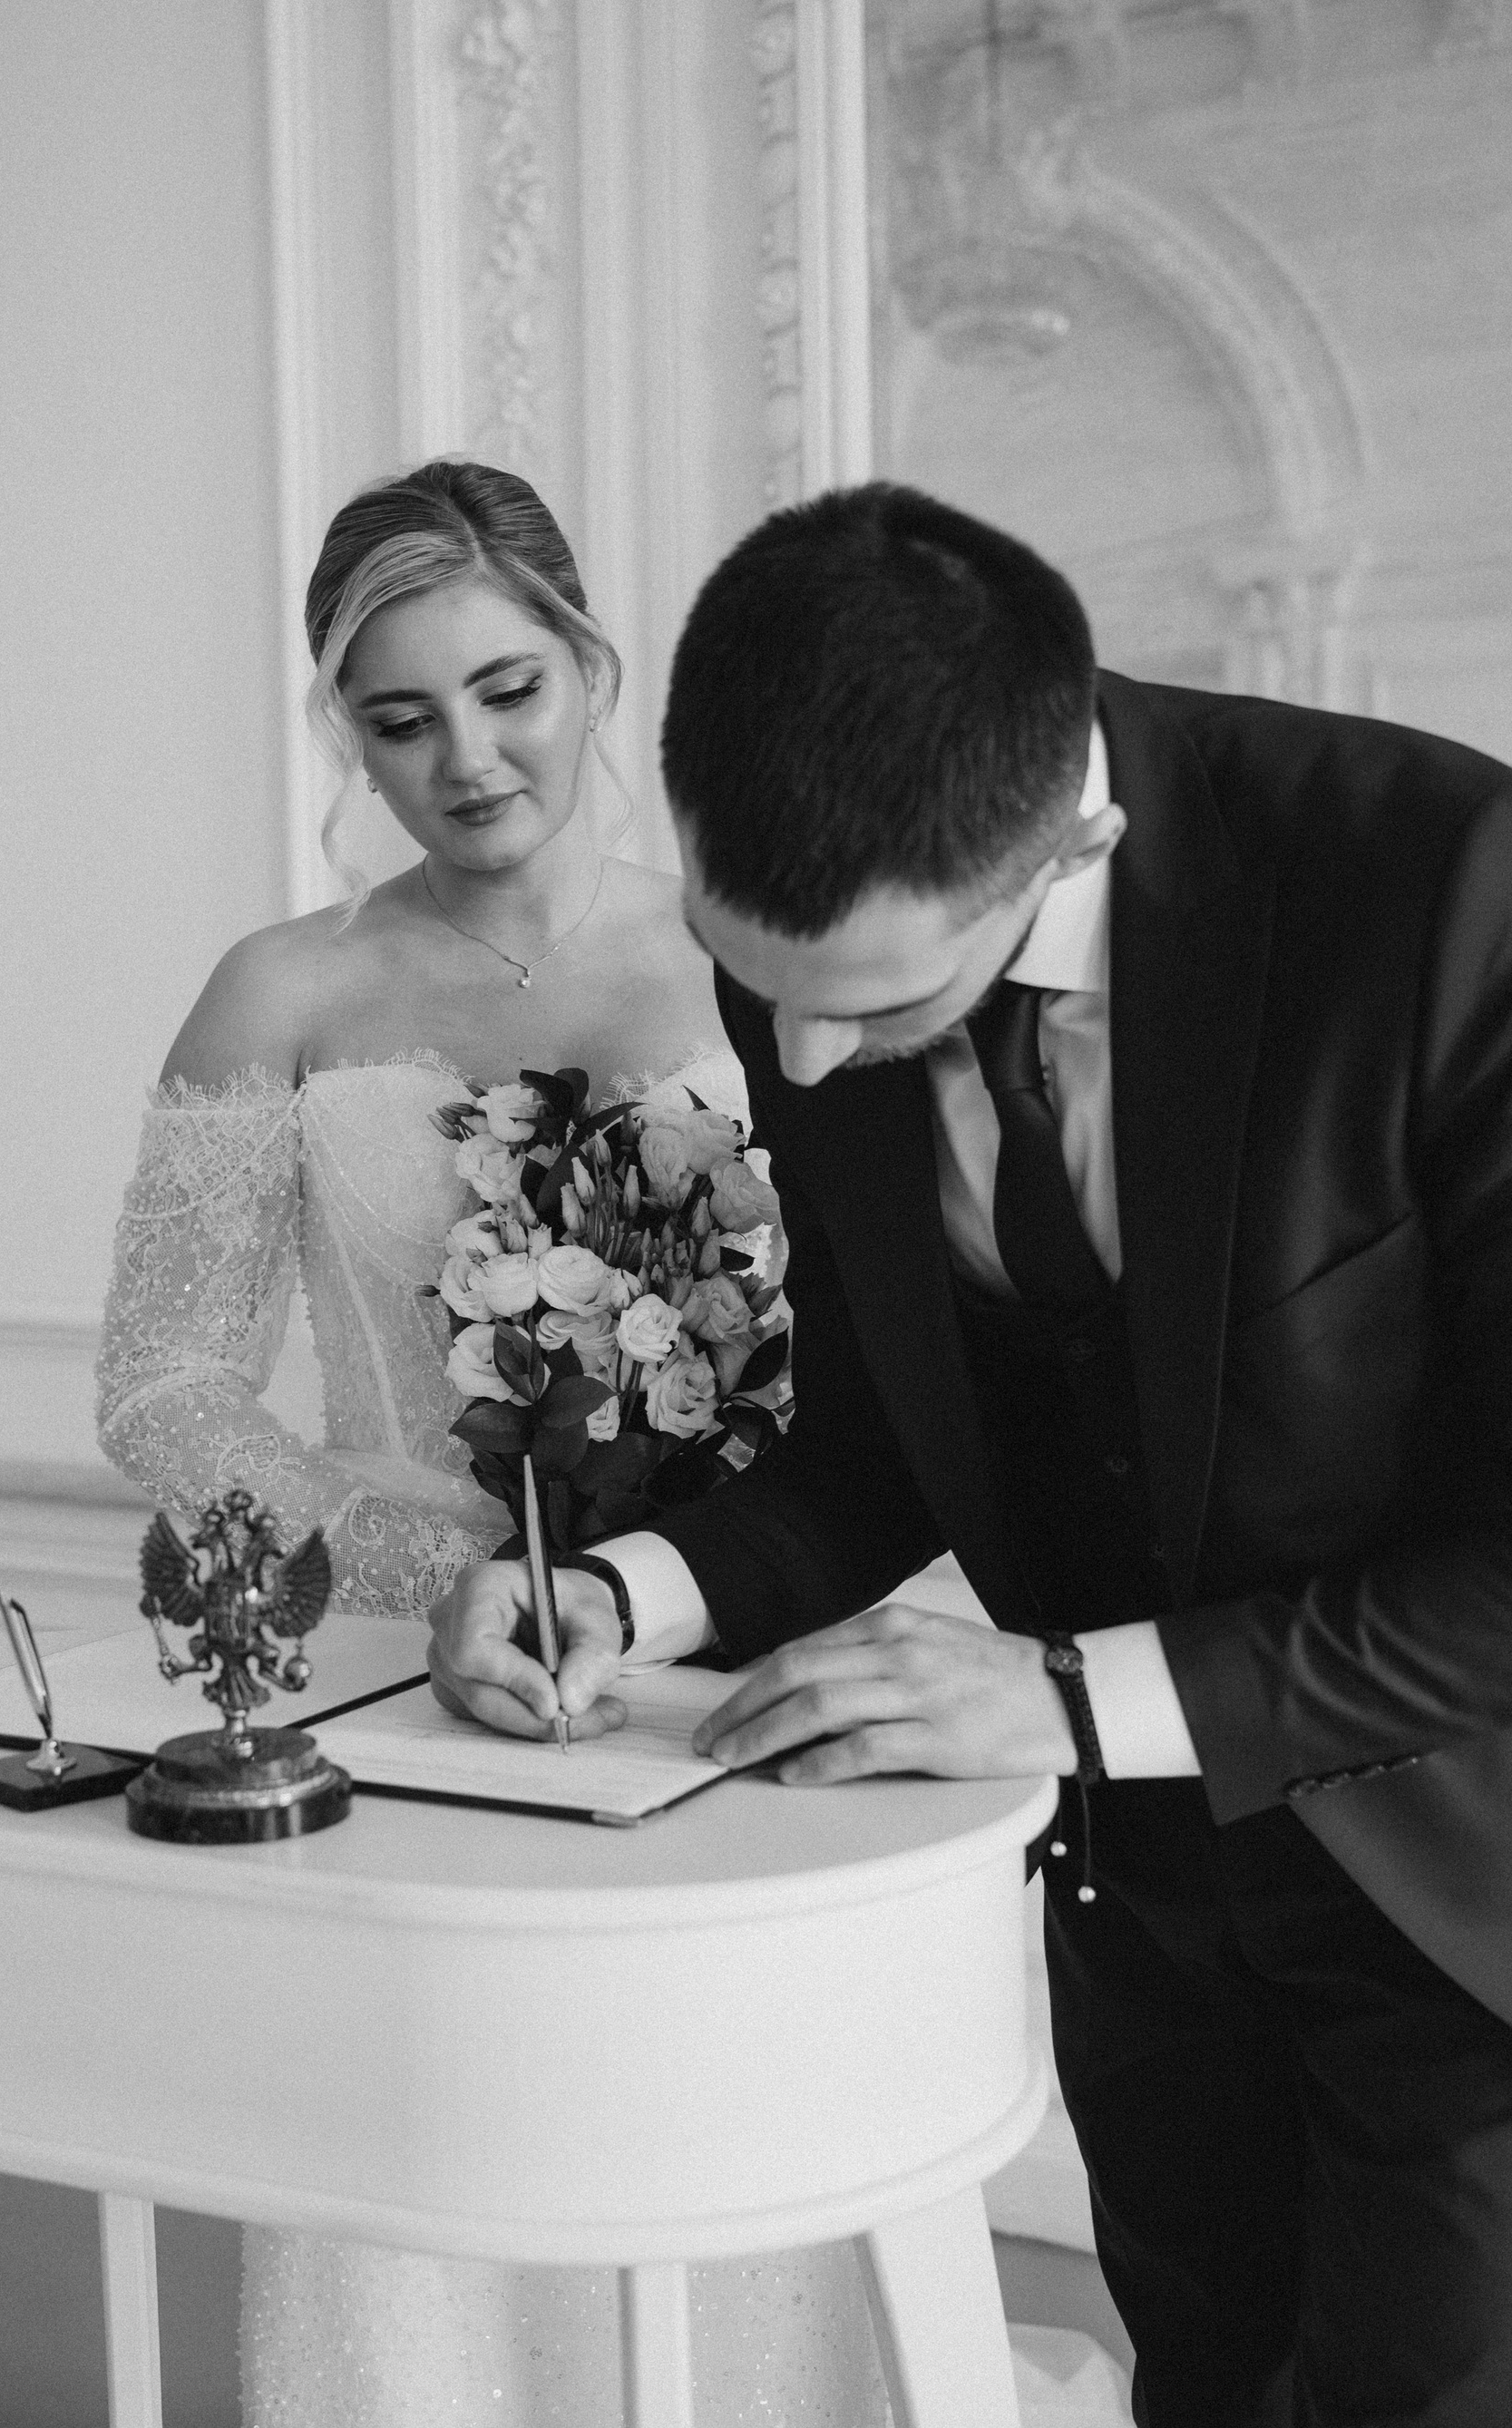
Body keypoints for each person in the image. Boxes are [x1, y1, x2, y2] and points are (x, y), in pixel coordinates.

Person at [429, 481, 1512, 2425]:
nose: (802, 1062)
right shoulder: (811, 955)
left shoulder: (1450, 891)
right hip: (1141, 1917)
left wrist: (1070, 1695)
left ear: (1069, 840)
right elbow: (890, 1441)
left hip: (1462, 1901)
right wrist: (619, 1589)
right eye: (759, 983)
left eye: (882, 1005)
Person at [93, 460, 901, 2426]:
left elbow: (897, 1358)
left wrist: (665, 1577)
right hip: (395, 1675)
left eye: (508, 688)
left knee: (716, 2172)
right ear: (346, 735)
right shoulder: (281, 989)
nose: (464, 758)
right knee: (424, 2189)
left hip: (723, 1645)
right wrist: (432, 1569)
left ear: (593, 666)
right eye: (400, 719)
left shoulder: (765, 950)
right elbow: (165, 1381)